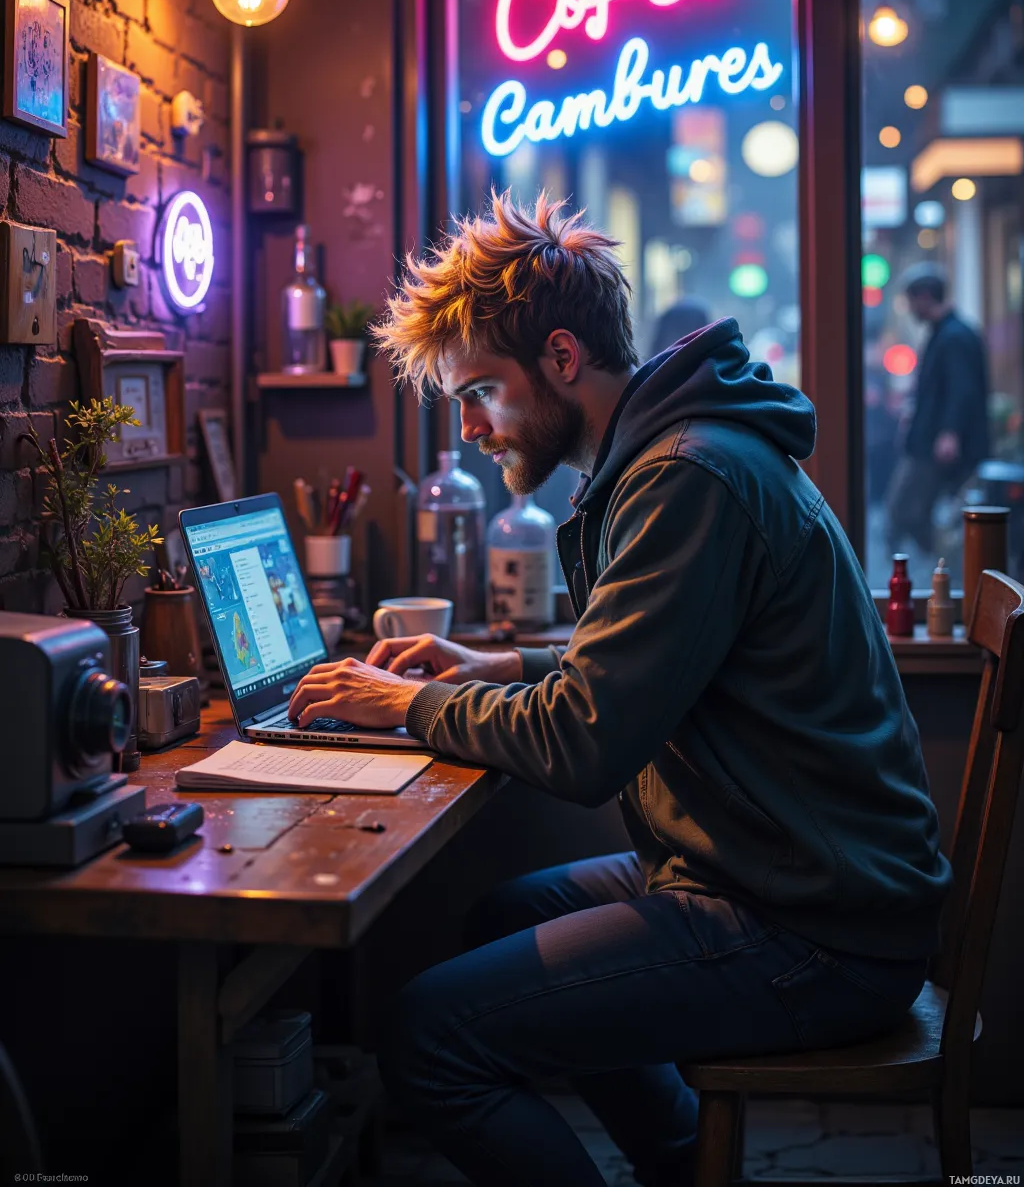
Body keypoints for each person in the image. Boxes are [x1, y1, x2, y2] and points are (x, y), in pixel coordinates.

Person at [288, 191, 951, 1187]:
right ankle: (682, 1162)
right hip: (782, 877)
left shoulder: (687, 477)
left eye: (481, 394)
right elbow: (652, 665)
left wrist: (406, 704)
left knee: (428, 1037)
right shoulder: (673, 456)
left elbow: (583, 744)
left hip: (814, 926)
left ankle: (676, 1156)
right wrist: (498, 666)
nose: (469, 429)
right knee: (501, 920)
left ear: (560, 358)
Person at [886, 262, 989, 556]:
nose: (910, 309)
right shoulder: (947, 334)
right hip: (932, 442)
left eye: (911, 300)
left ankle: (942, 569)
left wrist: (949, 433)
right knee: (910, 510)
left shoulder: (954, 336)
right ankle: (939, 569)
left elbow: (962, 390)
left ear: (925, 297)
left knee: (906, 509)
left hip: (937, 445)